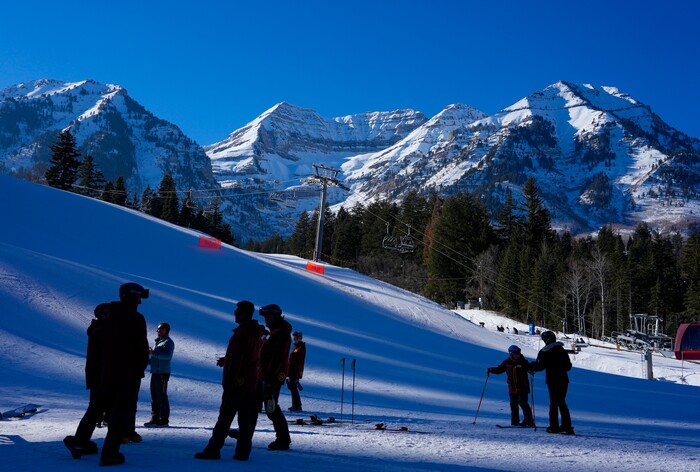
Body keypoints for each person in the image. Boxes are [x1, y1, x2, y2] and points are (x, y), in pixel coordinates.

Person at [66, 282, 150, 466]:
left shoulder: (109, 318)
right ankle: (110, 454)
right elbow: (142, 348)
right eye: (138, 299)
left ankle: (80, 442)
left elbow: (98, 338)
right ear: (132, 298)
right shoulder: (135, 318)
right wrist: (139, 367)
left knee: (96, 408)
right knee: (120, 413)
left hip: (108, 374)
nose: (139, 303)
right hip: (128, 375)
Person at [195, 301, 262, 461]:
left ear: (245, 314)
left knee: (225, 418)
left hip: (238, 383)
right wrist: (227, 359)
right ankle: (243, 452)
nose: (235, 314)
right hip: (250, 382)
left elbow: (239, 359)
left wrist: (230, 382)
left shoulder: (242, 333)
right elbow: (247, 356)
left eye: (238, 312)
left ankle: (213, 449)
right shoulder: (254, 332)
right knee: (245, 419)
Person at [63, 303, 112, 459]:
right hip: (101, 377)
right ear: (104, 315)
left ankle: (81, 441)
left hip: (98, 376)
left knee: (97, 408)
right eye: (110, 314)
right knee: (97, 408)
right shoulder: (102, 332)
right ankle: (81, 441)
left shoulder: (99, 330)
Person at [259, 304, 293, 451]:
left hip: (271, 378)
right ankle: (244, 432)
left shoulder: (280, 334)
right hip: (266, 375)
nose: (266, 320)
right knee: (253, 403)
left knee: (271, 408)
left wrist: (268, 378)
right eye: (265, 317)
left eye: (269, 317)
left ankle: (283, 439)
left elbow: (277, 359)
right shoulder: (275, 332)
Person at [529, 330, 574, 434]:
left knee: (554, 403)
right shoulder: (561, 350)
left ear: (545, 340)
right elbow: (568, 366)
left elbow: (540, 366)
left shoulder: (545, 351)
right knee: (562, 402)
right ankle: (566, 426)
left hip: (552, 380)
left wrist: (532, 367)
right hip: (563, 379)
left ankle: (554, 427)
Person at [487, 345, 533, 427]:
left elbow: (529, 368)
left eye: (518, 352)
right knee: (513, 404)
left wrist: (532, 370)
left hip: (523, 387)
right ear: (511, 354)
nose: (517, 354)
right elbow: (499, 369)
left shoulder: (523, 362)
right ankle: (515, 421)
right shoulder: (507, 362)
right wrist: (491, 370)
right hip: (512, 387)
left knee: (523, 403)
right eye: (515, 353)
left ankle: (528, 421)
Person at [144, 322, 174, 427]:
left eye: (161, 329)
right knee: (154, 395)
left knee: (162, 395)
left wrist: (153, 353)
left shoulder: (168, 342)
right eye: (158, 329)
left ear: (166, 330)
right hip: (155, 372)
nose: (159, 331)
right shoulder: (158, 342)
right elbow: (156, 358)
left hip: (163, 373)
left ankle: (164, 419)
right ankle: (155, 417)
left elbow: (167, 356)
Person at [286, 331, 306, 412]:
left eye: (296, 337)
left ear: (299, 338)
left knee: (293, 388)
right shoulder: (296, 347)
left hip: (295, 372)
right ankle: (296, 405)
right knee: (292, 388)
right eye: (294, 337)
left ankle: (296, 406)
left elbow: (300, 362)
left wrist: (298, 375)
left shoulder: (300, 348)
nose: (294, 338)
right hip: (291, 371)